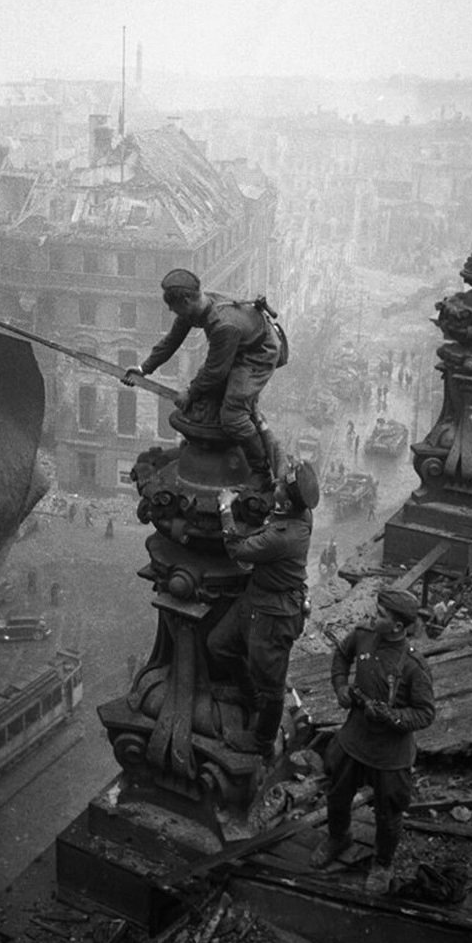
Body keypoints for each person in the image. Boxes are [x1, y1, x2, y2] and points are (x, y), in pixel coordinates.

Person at [310, 589, 435, 895]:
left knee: (388, 813)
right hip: (353, 739)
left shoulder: (413, 667)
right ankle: (339, 837)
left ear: (398, 626)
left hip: (390, 754)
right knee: (337, 795)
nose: (371, 616)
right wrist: (340, 687)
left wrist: (392, 717)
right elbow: (341, 655)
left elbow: (425, 713)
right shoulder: (363, 635)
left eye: (380, 615)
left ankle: (382, 863)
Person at [121, 269, 282, 482]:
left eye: (173, 307)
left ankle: (260, 470)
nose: (171, 311)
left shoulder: (223, 325)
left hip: (257, 354)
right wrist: (143, 369)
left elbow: (216, 371)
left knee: (233, 415)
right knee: (213, 398)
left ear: (187, 300)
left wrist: (190, 392)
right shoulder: (197, 308)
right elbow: (171, 341)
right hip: (238, 345)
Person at [206, 460, 319, 759]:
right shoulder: (300, 513)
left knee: (272, 687)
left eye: (280, 487)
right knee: (219, 644)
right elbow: (282, 476)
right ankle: (249, 695)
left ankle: (262, 741)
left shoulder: (282, 536)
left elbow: (237, 550)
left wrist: (225, 507)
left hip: (274, 615)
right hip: (257, 599)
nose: (276, 487)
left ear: (284, 501)